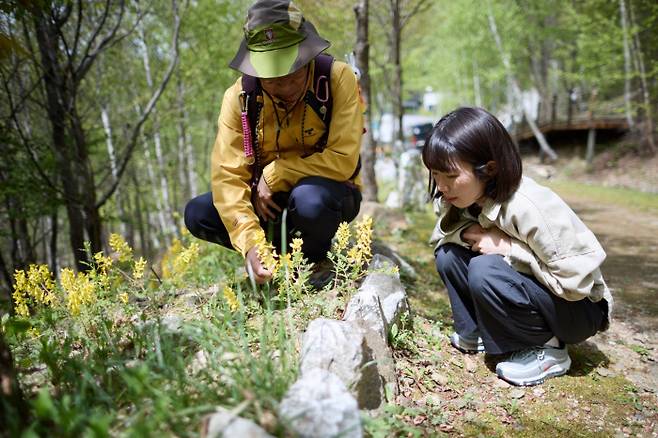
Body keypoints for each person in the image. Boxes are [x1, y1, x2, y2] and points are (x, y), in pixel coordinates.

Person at [422, 107, 613, 386]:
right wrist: (470, 236)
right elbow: (442, 236)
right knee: (449, 255)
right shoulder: (464, 197)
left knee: (485, 268)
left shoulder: (529, 206)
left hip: (581, 309)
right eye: (435, 174)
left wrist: (508, 248)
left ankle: (548, 350)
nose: (442, 186)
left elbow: (574, 284)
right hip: (552, 294)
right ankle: (479, 332)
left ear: (488, 169)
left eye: (450, 176)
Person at [184, 0, 363, 287]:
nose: (286, 87)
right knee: (199, 213)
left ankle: (315, 259)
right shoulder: (238, 98)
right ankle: (273, 259)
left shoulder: (336, 78)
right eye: (273, 80)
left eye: (293, 74)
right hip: (267, 205)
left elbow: (343, 160)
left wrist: (277, 173)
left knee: (309, 201)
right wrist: (252, 244)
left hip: (325, 195)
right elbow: (228, 179)